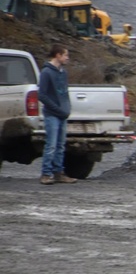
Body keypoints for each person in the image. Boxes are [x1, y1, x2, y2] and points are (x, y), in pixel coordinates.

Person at [38, 44, 76, 185]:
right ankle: (46, 173)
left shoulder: (63, 72)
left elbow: (64, 92)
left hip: (62, 114)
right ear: (58, 55)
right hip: (51, 114)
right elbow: (42, 95)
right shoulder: (47, 72)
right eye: (65, 55)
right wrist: (56, 109)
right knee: (51, 144)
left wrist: (67, 108)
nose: (67, 58)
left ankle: (58, 172)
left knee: (60, 145)